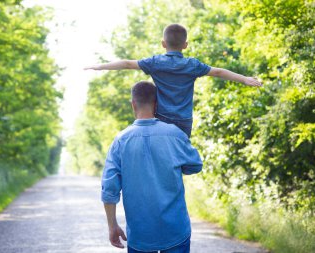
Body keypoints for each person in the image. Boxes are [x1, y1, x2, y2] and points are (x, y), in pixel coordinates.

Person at [85, 23, 262, 138]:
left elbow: (126, 63)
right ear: (185, 45)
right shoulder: (192, 65)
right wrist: (244, 79)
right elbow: (218, 72)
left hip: (161, 118)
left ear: (163, 43)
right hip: (184, 120)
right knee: (180, 156)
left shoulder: (155, 63)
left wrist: (100, 66)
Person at [101, 81, 203, 253]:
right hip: (176, 231)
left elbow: (109, 189)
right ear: (156, 104)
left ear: (133, 104)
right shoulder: (175, 134)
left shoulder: (120, 140)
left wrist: (112, 226)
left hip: (140, 235)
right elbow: (195, 165)